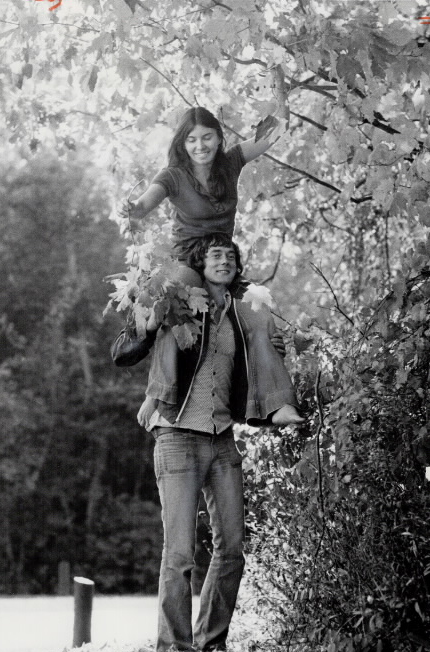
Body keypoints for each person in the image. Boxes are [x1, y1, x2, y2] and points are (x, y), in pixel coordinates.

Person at [111, 236, 299, 652]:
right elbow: (123, 351)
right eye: (215, 255)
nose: (224, 261)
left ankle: (211, 645)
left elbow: (258, 365)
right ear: (199, 263)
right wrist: (144, 329)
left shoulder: (243, 315)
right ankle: (175, 650)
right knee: (180, 555)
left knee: (231, 548)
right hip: (177, 436)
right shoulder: (175, 302)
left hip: (221, 439)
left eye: (231, 256)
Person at [117, 100, 303, 426]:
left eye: (206, 137)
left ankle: (276, 405)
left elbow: (276, 130)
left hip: (221, 259)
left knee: (259, 314)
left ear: (218, 138)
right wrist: (132, 209)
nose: (200, 145)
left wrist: (279, 80)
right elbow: (145, 203)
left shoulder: (230, 164)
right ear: (182, 143)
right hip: (188, 261)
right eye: (191, 139)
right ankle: (158, 393)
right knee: (176, 299)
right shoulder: (173, 176)